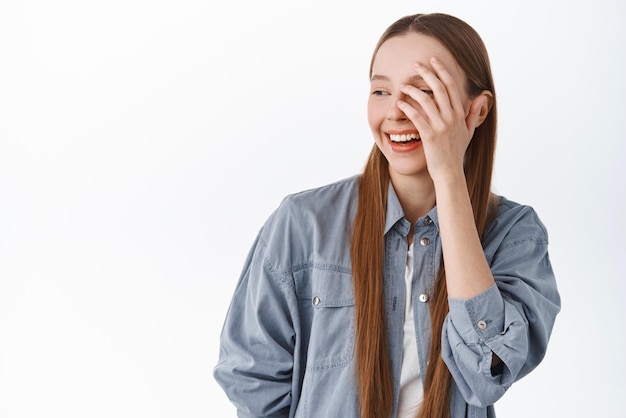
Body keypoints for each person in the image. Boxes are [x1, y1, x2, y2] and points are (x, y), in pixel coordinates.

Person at [213, 12, 560, 418]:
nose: (395, 111)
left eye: (424, 92)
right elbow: (252, 380)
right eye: (381, 91)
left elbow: (485, 373)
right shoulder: (302, 223)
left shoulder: (515, 234)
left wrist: (448, 176)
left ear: (477, 111)